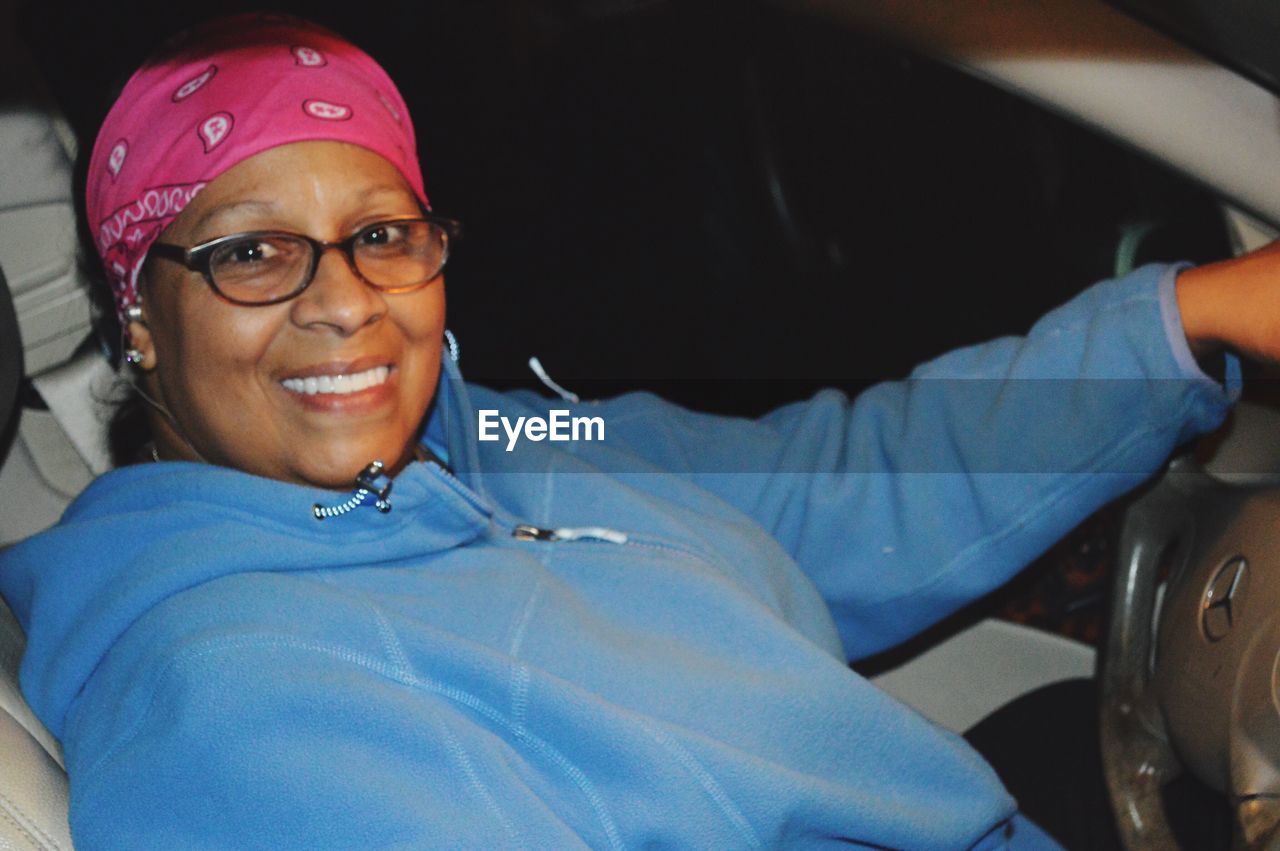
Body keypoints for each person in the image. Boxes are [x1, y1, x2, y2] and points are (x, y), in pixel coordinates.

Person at [0, 12, 1273, 849]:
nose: (342, 301)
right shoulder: (231, 700)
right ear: (142, 319)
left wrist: (1188, 317)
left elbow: (829, 489)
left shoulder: (478, 444)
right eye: (252, 252)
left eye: (381, 234)